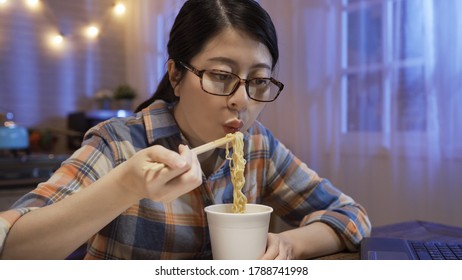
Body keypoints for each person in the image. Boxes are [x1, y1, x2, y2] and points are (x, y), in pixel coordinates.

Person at [0, 0, 371, 260]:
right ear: (176, 75)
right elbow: (11, 248)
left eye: (259, 80)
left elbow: (351, 216)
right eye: (222, 76)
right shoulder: (119, 143)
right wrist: (125, 185)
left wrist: (290, 245)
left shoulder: (257, 145)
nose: (241, 100)